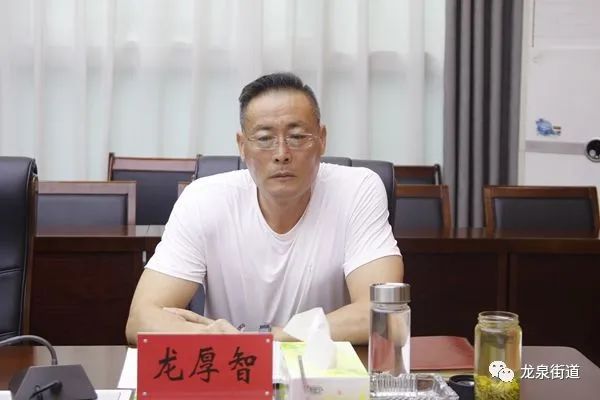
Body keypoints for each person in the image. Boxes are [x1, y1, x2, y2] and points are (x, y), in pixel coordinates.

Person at [126, 72, 403, 345]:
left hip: (326, 369)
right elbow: (141, 319)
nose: (281, 154)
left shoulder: (357, 190)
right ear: (242, 146)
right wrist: (212, 338)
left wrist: (268, 339)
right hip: (231, 366)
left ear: (321, 139)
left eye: (297, 136)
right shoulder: (203, 199)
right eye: (264, 138)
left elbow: (383, 313)